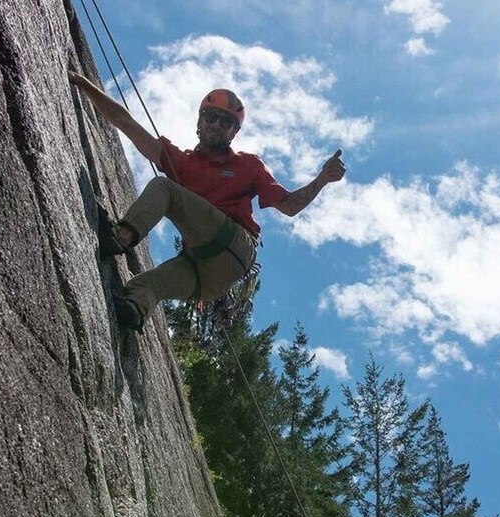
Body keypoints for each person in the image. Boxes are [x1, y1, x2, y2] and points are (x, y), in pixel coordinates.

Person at [67, 71, 346, 331]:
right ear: (199, 121)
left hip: (235, 246)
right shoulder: (183, 163)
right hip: (207, 273)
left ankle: (121, 237)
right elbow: (126, 123)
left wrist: (321, 180)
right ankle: (133, 312)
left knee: (164, 188)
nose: (216, 125)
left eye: (226, 122)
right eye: (210, 116)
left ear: (234, 132)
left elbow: (289, 206)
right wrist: (83, 84)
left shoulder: (247, 165)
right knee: (147, 284)